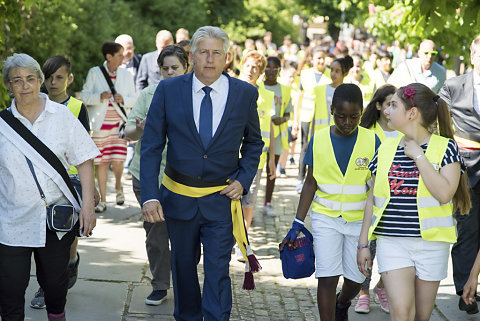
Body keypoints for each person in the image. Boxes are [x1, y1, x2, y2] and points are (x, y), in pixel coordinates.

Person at [140, 26, 264, 320]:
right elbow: (151, 146)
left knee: (217, 270)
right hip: (178, 199)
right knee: (183, 268)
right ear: (192, 55)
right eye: (203, 52)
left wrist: (243, 179)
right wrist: (149, 196)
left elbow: (254, 142)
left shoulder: (244, 94)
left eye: (216, 53)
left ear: (227, 57)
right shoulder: (169, 90)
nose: (210, 59)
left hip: (221, 200)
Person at [357, 83, 471, 321]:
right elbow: (372, 198)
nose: (386, 111)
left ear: (412, 113)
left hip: (432, 245)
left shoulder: (446, 147)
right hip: (392, 242)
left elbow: (444, 194)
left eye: (393, 105)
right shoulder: (386, 148)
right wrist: (363, 243)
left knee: (421, 317)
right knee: (401, 314)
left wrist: (419, 156)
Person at [0, 53, 98, 321]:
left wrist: (87, 208)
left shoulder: (62, 116)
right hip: (11, 220)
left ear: (40, 81)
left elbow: (85, 160)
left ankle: (57, 316)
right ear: (8, 85)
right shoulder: (2, 125)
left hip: (55, 218)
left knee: (55, 286)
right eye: (17, 80)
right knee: (9, 291)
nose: (25, 86)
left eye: (31, 79)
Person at [281, 83, 380, 321]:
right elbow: (310, 183)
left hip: (359, 221)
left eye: (354, 117)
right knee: (327, 275)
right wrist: (297, 223)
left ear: (361, 112)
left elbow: (376, 188)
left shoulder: (372, 140)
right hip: (326, 218)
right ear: (332, 110)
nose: (347, 122)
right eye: (341, 116)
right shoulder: (319, 138)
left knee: (357, 277)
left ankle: (342, 302)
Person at [29, 55, 100, 310]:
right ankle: (45, 286)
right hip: (42, 181)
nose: (53, 82)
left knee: (67, 237)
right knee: (45, 238)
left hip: (71, 180)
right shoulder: (33, 106)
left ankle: (71, 261)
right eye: (48, 78)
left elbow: (85, 149)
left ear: (69, 79)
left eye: (59, 77)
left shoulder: (77, 108)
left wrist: (94, 189)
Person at [125, 45, 188, 306]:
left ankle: (185, 284)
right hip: (147, 176)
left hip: (185, 178)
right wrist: (139, 129)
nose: (170, 72)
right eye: (165, 69)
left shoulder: (194, 97)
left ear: (187, 68)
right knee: (156, 233)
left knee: (185, 235)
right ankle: (160, 284)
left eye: (175, 68)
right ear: (159, 70)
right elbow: (128, 131)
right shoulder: (149, 94)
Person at [439, 34, 480, 315]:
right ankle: (465, 292)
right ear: (473, 56)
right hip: (467, 170)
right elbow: (436, 118)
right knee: (467, 231)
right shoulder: (454, 86)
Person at [354, 84, 398, 314]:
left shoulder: (404, 130)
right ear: (379, 105)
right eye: (388, 103)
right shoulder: (367, 132)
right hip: (369, 198)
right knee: (369, 247)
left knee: (391, 250)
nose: (392, 108)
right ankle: (363, 293)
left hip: (396, 201)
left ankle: (381, 287)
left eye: (396, 103)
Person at [80, 41, 136, 213]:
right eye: (119, 54)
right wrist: (100, 96)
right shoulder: (95, 73)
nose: (123, 57)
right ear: (109, 56)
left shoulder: (126, 74)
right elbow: (85, 96)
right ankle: (102, 200)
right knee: (102, 163)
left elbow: (134, 99)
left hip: (118, 124)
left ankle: (119, 187)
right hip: (100, 126)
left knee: (118, 161)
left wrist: (123, 100)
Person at [235, 51, 275, 258]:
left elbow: (270, 127)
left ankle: (242, 241)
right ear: (242, 65)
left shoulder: (267, 96)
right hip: (230, 155)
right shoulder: (231, 88)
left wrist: (272, 160)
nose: (251, 70)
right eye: (248, 66)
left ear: (260, 72)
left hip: (256, 159)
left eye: (256, 68)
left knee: (248, 201)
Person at [296, 46, 331, 193]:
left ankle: (320, 179)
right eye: (318, 58)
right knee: (305, 147)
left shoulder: (330, 75)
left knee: (323, 148)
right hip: (307, 115)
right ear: (312, 60)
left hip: (323, 118)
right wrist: (295, 120)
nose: (321, 60)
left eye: (323, 58)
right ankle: (300, 178)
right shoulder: (305, 74)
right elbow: (299, 97)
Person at [261, 56, 292, 216]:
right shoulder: (258, 87)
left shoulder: (285, 89)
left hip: (277, 135)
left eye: (275, 68)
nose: (271, 71)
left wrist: (283, 119)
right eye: (268, 67)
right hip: (259, 134)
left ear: (279, 70)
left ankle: (267, 203)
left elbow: (288, 111)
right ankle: (247, 204)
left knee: (271, 170)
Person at [312, 55, 353, 134]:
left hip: (339, 135)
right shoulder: (320, 89)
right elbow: (315, 114)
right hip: (320, 134)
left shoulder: (347, 93)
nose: (333, 74)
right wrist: (311, 136)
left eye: (337, 71)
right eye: (332, 70)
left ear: (345, 73)